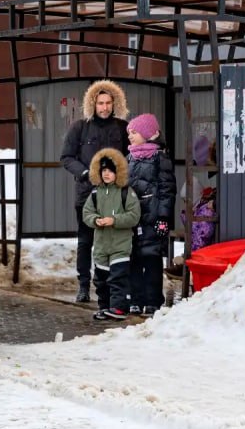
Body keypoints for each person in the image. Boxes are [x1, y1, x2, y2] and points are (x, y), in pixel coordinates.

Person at [60, 79, 129, 303]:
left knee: (114, 241)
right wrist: (84, 173)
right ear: (93, 103)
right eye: (100, 103)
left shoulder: (122, 128)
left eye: (108, 103)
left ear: (115, 103)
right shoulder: (80, 127)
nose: (104, 107)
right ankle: (83, 285)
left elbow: (131, 155)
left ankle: (112, 287)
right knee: (85, 241)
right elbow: (66, 157)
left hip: (115, 195)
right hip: (87, 195)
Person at [125, 113, 177, 316]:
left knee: (152, 258)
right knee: (134, 258)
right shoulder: (129, 158)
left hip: (153, 218)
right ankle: (135, 299)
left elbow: (167, 189)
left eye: (134, 132)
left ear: (147, 134)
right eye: (129, 133)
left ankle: (153, 300)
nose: (130, 136)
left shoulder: (159, 158)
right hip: (133, 218)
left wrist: (163, 217)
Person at [81, 148, 139, 321]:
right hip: (101, 245)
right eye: (104, 170)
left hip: (120, 245)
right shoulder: (95, 193)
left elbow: (134, 215)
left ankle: (119, 307)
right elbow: (86, 213)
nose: (106, 174)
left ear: (118, 172)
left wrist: (114, 220)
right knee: (101, 279)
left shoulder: (126, 192)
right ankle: (104, 307)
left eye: (110, 171)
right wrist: (95, 220)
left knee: (118, 278)